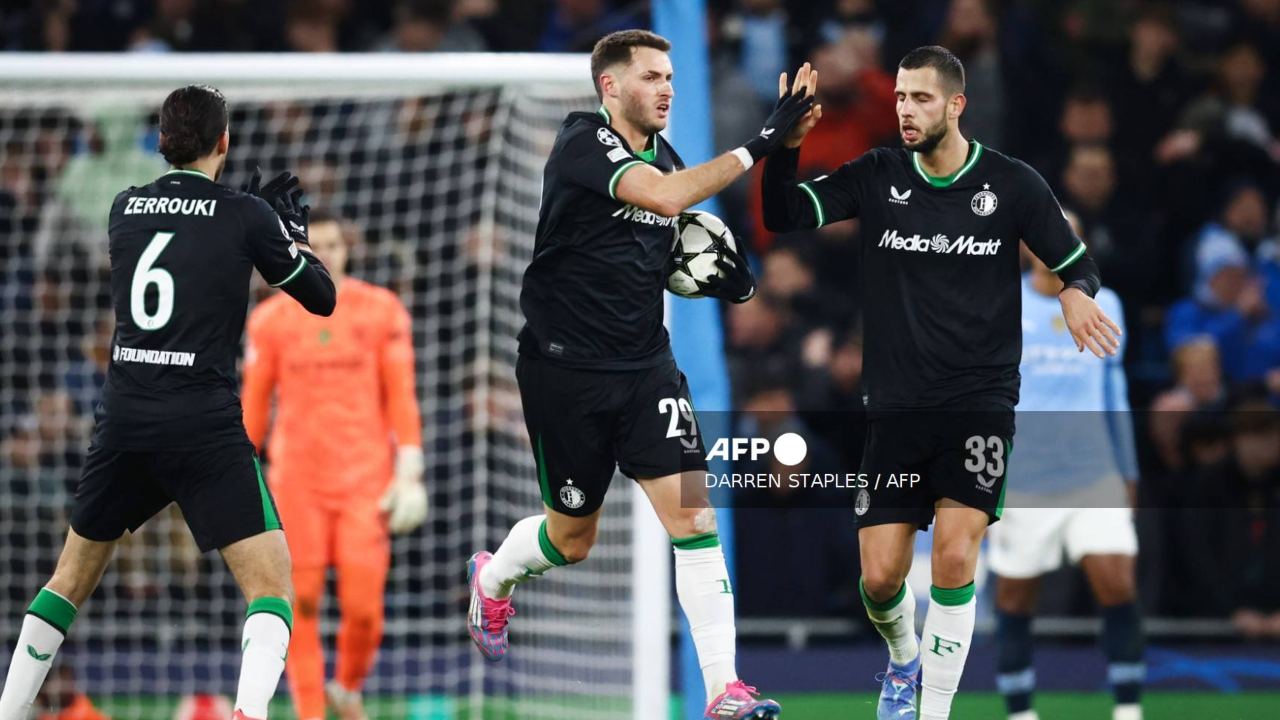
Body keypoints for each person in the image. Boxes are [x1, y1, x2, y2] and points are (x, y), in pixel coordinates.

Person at [761, 47, 1121, 720]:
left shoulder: (1012, 185)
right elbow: (783, 215)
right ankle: (903, 662)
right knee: (879, 579)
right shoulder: (877, 174)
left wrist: (1075, 291)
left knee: (955, 559)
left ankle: (934, 711)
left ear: (956, 105)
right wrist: (784, 147)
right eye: (900, 97)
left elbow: (1080, 264)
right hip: (895, 409)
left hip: (979, 405)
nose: (905, 109)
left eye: (921, 99)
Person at [465, 29, 814, 719]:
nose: (667, 89)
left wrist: (729, 281)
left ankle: (724, 689)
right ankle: (493, 576)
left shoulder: (672, 160)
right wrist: (759, 142)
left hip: (645, 371)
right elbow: (659, 198)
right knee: (572, 538)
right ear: (610, 87)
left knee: (695, 516)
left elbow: (678, 235)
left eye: (670, 77)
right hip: (564, 374)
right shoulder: (581, 142)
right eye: (651, 76)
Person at [0, 85, 336, 720]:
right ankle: (248, 714)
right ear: (224, 144)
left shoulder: (124, 207)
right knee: (270, 590)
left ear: (160, 143)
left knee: (66, 582)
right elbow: (321, 298)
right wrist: (292, 237)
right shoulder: (245, 215)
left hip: (125, 418)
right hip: (203, 423)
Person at [241, 211, 426, 720]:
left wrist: (409, 465)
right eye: (313, 246)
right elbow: (252, 410)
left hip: (365, 482)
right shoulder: (270, 321)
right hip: (296, 483)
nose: (325, 253)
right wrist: (237, 475)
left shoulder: (381, 311)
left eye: (333, 245)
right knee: (297, 604)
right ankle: (309, 712)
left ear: (346, 250)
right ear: (299, 252)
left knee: (364, 611)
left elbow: (401, 396)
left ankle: (346, 687)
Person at [987, 238, 1145, 720]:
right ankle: (1020, 712)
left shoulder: (1106, 302)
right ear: (1028, 248)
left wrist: (1128, 468)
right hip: (1024, 481)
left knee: (1117, 583)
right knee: (1014, 598)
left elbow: (1113, 389)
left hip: (1093, 474)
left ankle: (1128, 710)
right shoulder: (1001, 302)